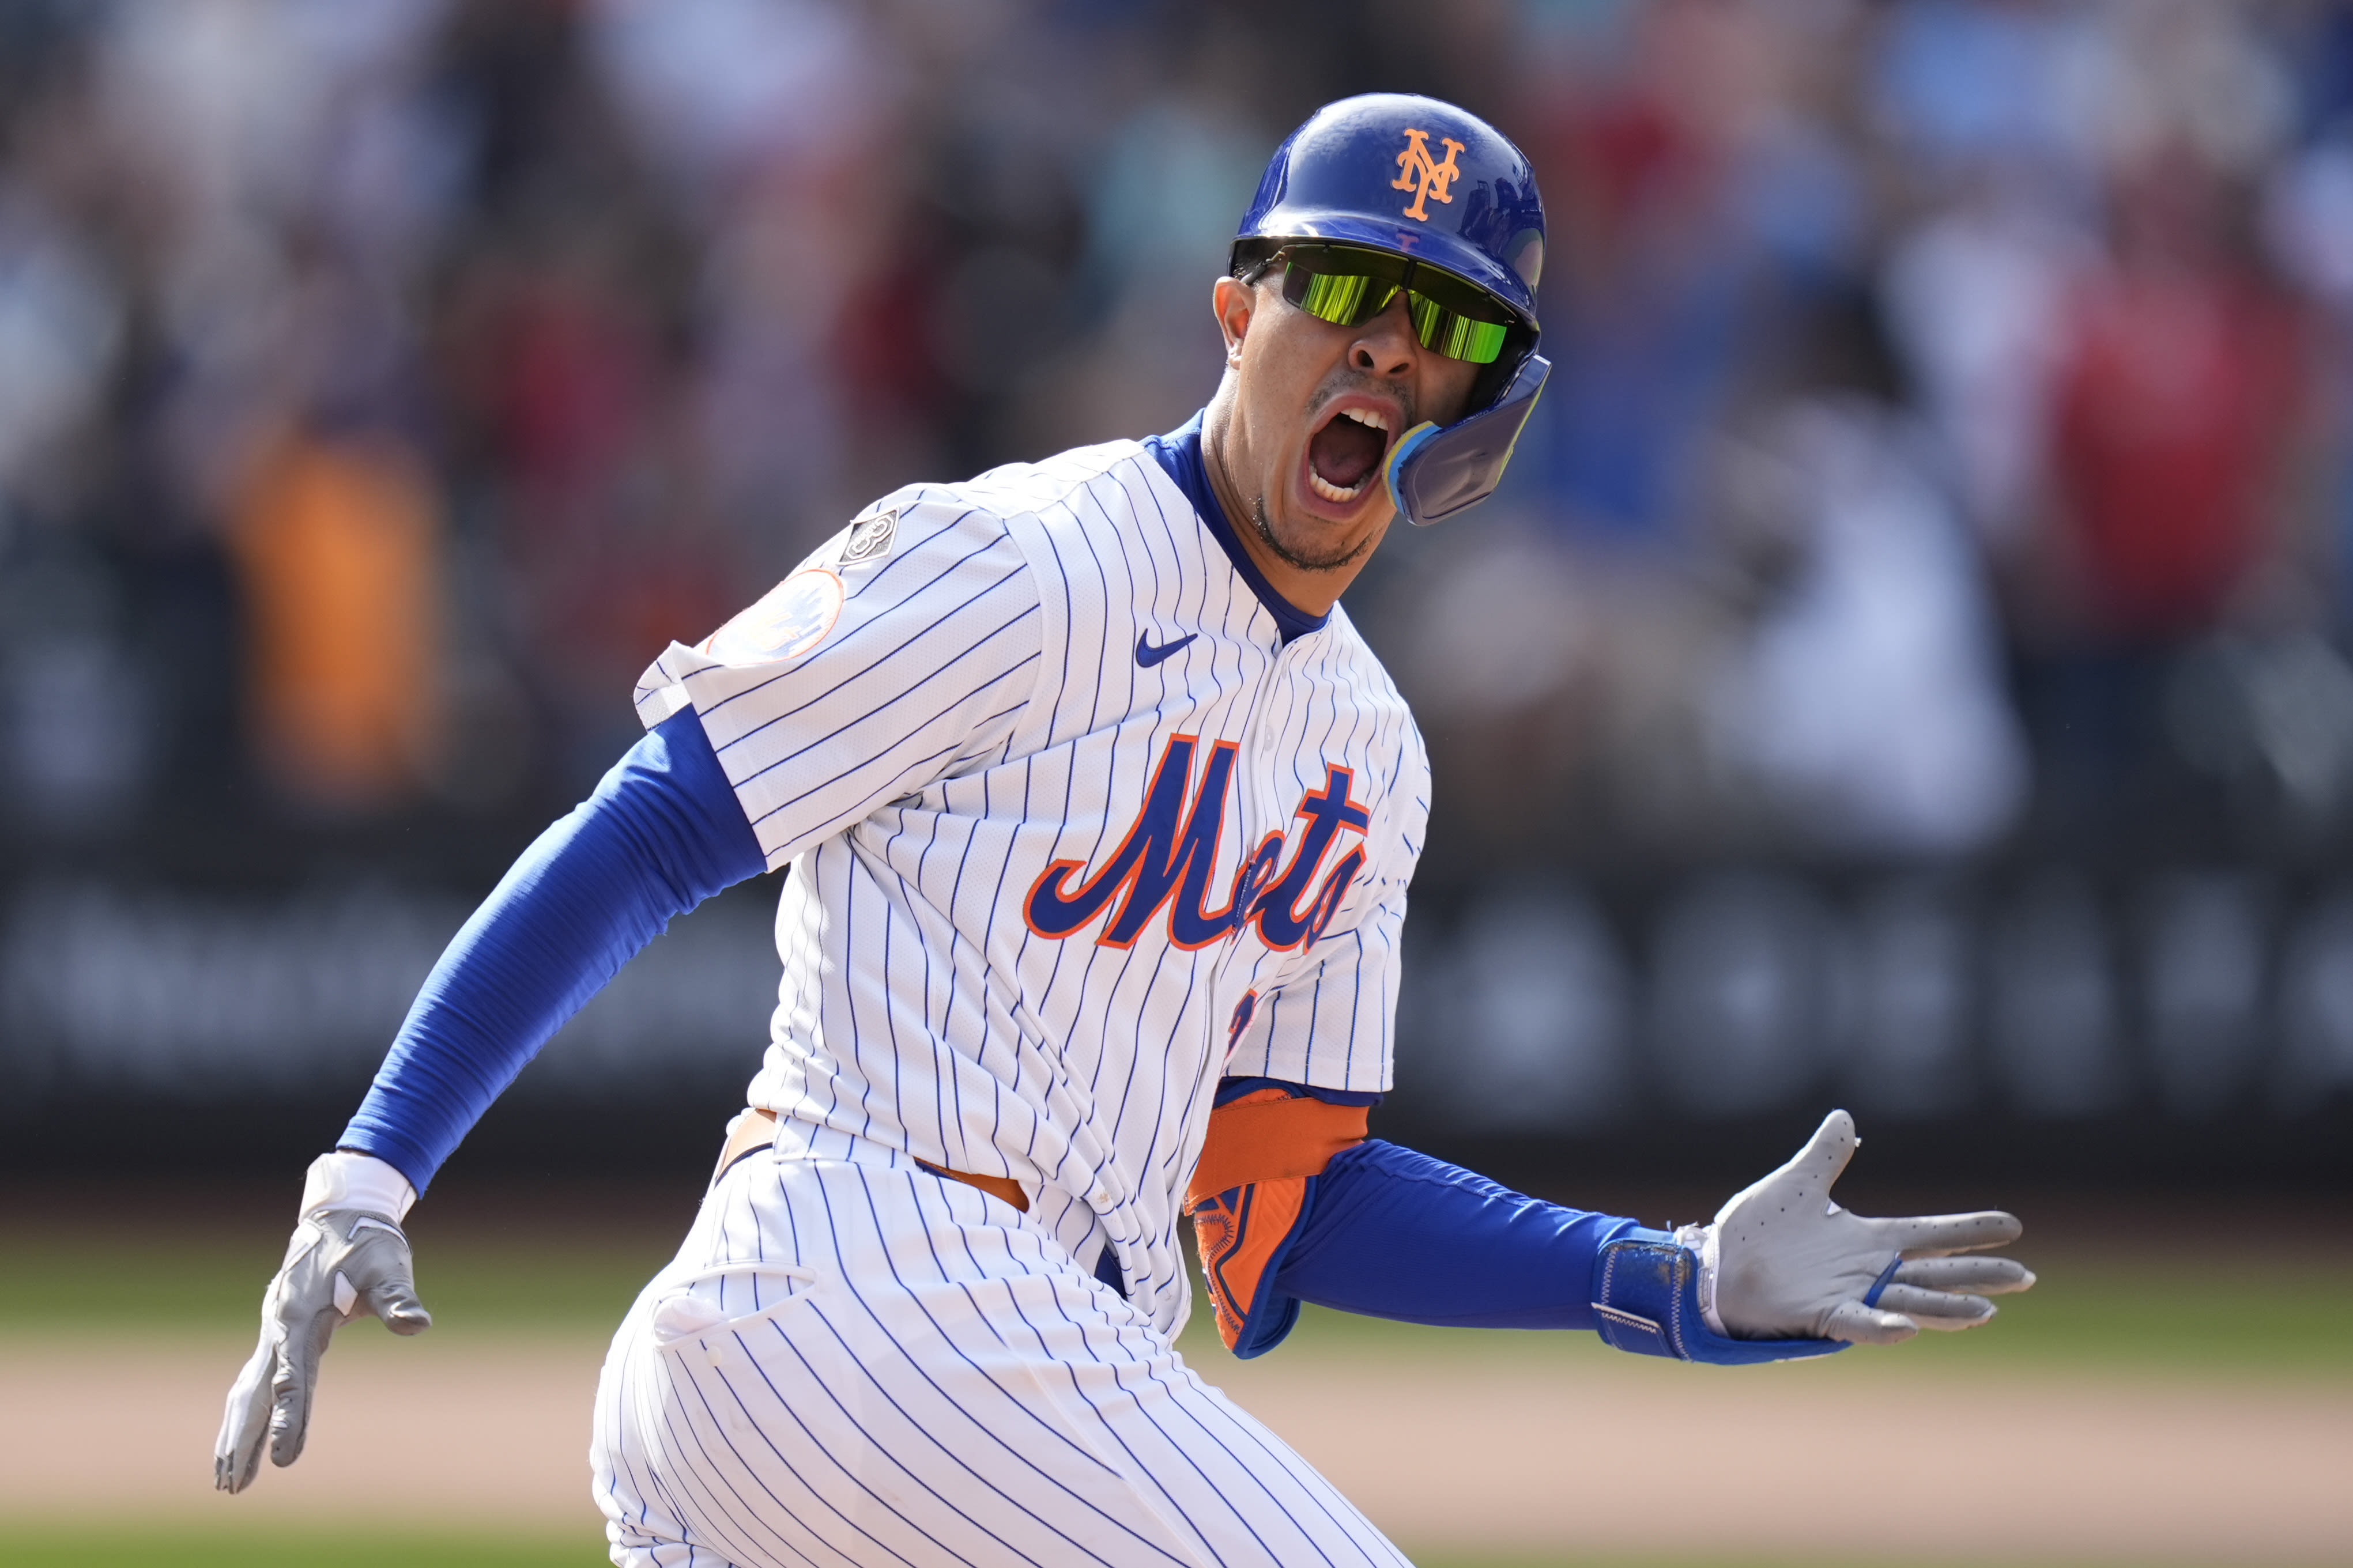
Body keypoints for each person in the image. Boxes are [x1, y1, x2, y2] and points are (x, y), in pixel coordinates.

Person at [216, 95, 2033, 1567]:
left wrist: (1662, 1278)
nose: (1386, 358)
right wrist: (372, 1163)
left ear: (1487, 410)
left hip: (866, 1380)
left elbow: (1282, 1199)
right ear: (1237, 311)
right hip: (871, 1277)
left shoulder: (1368, 752)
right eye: (1346, 296)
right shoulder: (1021, 558)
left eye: (1446, 331)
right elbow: (657, 827)